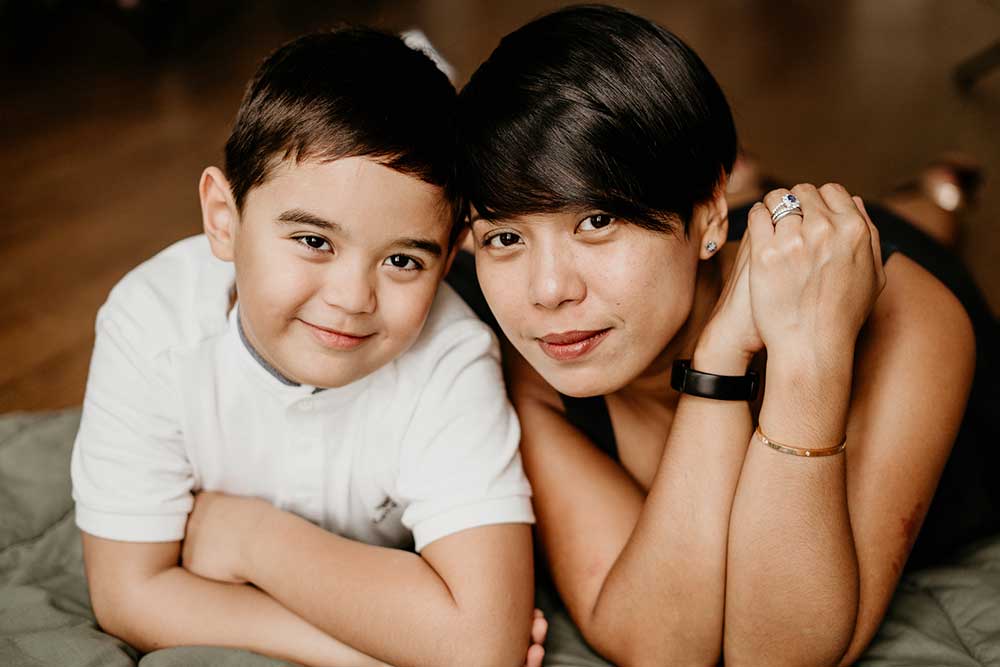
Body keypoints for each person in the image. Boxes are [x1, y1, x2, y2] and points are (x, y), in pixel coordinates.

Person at [447, 5, 1000, 666]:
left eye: (596, 220)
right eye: (505, 236)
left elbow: (781, 652)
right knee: (780, 218)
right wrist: (718, 359)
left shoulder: (912, 315)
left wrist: (804, 356)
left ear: (706, 217)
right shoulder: (531, 344)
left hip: (863, 267)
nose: (547, 291)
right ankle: (765, 192)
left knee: (897, 220)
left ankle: (936, 199)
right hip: (718, 242)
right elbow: (660, 645)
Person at [70, 27, 547, 667]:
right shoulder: (152, 323)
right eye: (314, 241)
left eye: (403, 259)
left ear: (447, 253)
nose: (353, 298)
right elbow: (128, 594)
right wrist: (374, 654)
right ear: (223, 217)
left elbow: (483, 643)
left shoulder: (451, 354)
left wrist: (252, 540)